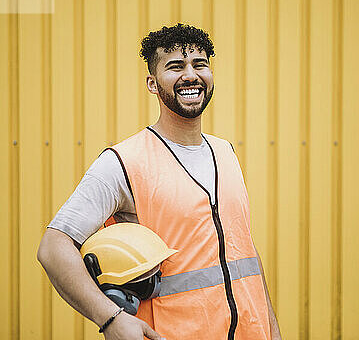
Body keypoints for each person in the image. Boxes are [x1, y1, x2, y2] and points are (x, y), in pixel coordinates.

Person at [37, 23, 282, 340]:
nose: (191, 75)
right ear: (152, 83)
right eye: (176, 66)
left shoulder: (225, 152)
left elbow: (244, 256)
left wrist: (273, 330)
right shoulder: (123, 162)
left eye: (200, 64)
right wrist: (110, 319)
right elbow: (53, 247)